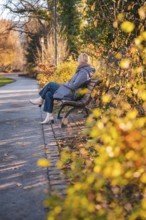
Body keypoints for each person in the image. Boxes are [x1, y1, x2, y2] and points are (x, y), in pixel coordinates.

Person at [30, 53, 96, 124]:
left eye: (78, 59)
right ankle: (49, 116)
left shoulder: (84, 73)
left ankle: (40, 99)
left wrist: (65, 84)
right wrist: (67, 84)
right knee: (48, 93)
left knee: (50, 84)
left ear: (81, 61)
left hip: (72, 94)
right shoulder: (81, 70)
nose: (77, 61)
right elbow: (73, 83)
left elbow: (74, 85)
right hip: (69, 91)